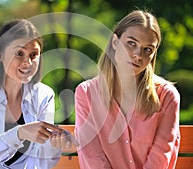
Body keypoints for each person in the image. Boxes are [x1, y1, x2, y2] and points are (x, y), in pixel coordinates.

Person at [0, 19, 77, 169]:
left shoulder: (44, 95)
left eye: (33, 55)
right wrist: (19, 133)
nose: (27, 62)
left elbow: (41, 163)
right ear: (0, 54)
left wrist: (54, 145)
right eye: (19, 53)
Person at [75, 10, 180, 169]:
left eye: (147, 49)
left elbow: (161, 154)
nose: (138, 55)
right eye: (131, 43)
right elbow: (91, 154)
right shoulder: (86, 93)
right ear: (115, 42)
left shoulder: (167, 96)